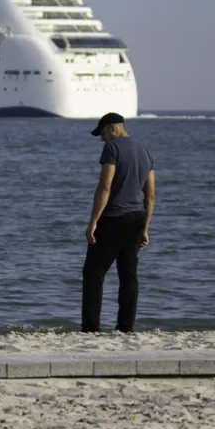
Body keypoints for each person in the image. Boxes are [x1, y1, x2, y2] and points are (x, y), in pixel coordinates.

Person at [82, 112, 155, 332]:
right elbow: (150, 194)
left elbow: (105, 186)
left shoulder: (112, 149)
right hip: (137, 219)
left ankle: (90, 327)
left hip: (113, 218)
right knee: (128, 274)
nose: (102, 139)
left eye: (102, 133)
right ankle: (125, 327)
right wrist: (146, 228)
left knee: (93, 273)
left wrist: (93, 222)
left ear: (113, 128)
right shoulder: (144, 151)